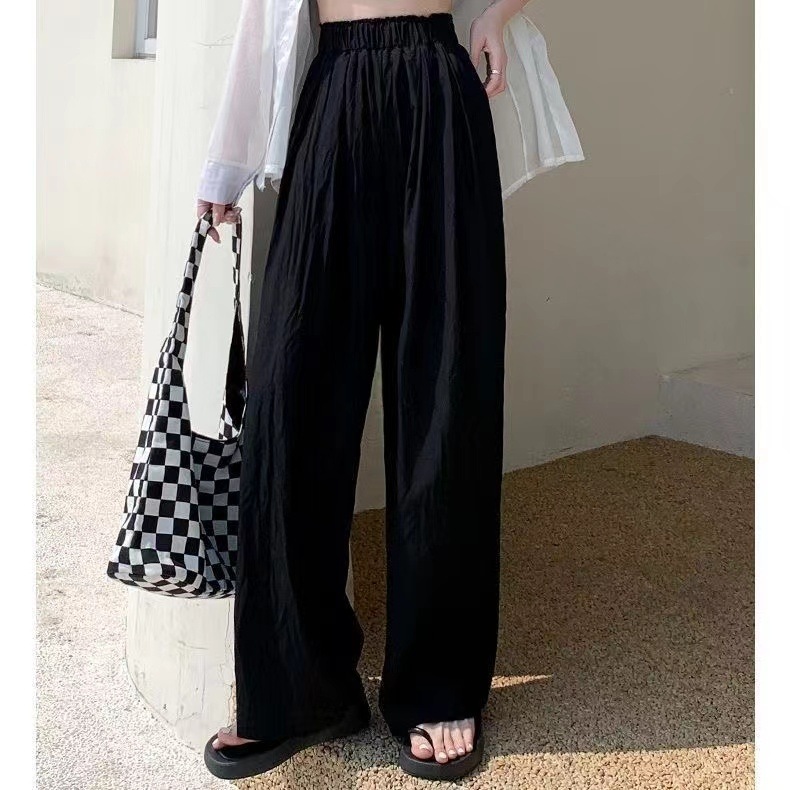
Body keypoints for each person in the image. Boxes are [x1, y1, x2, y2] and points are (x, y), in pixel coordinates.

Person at [197, 0, 583, 781]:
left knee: (446, 394)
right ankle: (299, 691)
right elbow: (261, 16)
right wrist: (226, 162)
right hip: (335, 90)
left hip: (438, 88)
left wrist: (497, 16)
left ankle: (438, 684)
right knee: (291, 401)